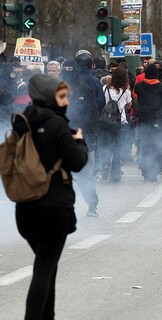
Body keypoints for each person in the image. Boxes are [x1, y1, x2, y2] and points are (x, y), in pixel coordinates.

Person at [14, 74, 88, 320]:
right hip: (54, 207)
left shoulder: (21, 122)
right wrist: (80, 142)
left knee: (47, 267)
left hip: (25, 207)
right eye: (60, 95)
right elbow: (76, 163)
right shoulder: (57, 124)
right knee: (44, 270)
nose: (65, 101)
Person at [61, 59, 100, 216]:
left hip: (80, 137)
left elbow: (93, 114)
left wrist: (91, 135)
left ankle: (92, 205)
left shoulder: (86, 90)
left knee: (83, 174)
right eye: (66, 70)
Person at [133, 64, 162, 182]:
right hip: (158, 119)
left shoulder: (139, 86)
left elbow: (135, 98)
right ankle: (154, 170)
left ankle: (146, 171)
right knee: (157, 145)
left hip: (144, 119)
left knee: (145, 146)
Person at [98, 67, 132, 182]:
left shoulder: (105, 88)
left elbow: (102, 102)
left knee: (106, 145)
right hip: (120, 122)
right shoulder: (126, 90)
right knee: (117, 148)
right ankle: (115, 173)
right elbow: (129, 106)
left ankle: (105, 165)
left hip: (106, 121)